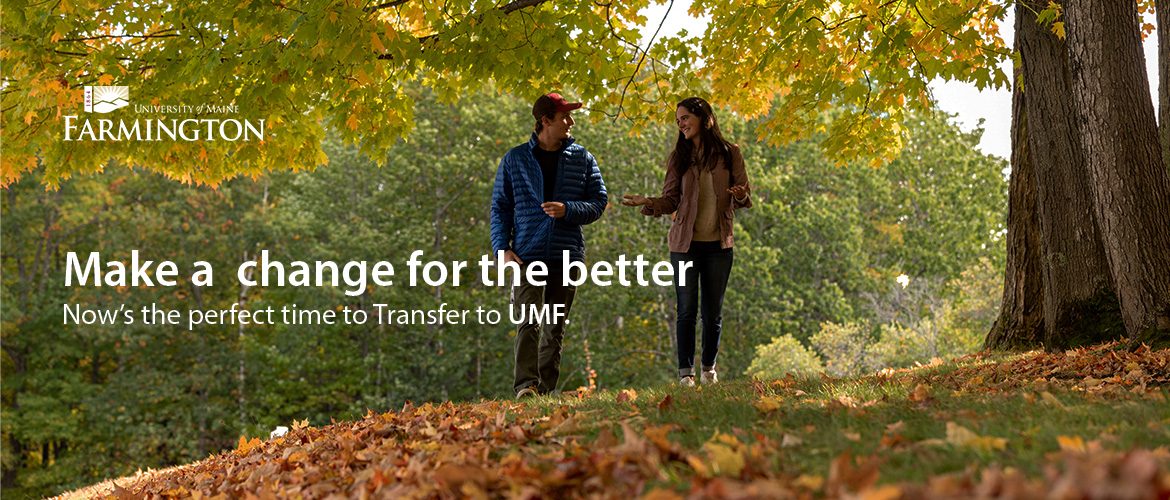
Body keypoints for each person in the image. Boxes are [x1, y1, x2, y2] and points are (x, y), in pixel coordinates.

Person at [621, 97, 751, 387]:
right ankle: (685, 375)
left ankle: (708, 369)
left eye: (685, 117)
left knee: (712, 312)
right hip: (684, 246)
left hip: (719, 245)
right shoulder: (678, 157)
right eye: (678, 120)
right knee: (686, 309)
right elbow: (670, 200)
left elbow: (744, 198)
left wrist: (740, 194)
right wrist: (649, 202)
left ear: (704, 118)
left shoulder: (730, 153)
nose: (680, 124)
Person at [491, 92, 608, 399]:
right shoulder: (514, 160)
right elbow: (500, 208)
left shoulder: (583, 159)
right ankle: (525, 387)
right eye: (564, 117)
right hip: (526, 254)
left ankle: (544, 390)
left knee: (555, 327)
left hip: (567, 253)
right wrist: (502, 249)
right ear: (545, 121)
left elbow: (598, 203)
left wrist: (568, 209)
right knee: (529, 321)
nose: (570, 122)